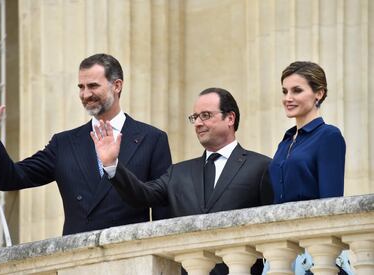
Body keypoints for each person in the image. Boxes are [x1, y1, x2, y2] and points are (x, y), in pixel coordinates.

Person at [0, 53, 172, 235]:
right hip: (77, 261)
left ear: (117, 85)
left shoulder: (152, 139)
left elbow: (163, 208)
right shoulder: (64, 144)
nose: (85, 95)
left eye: (93, 86)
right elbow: (10, 178)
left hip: (131, 260)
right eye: (81, 87)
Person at [91, 87, 274, 275]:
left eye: (206, 115)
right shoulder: (178, 173)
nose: (198, 123)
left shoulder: (260, 167)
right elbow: (141, 195)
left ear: (230, 118)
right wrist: (112, 164)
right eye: (195, 117)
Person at [268, 61, 348, 274]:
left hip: (313, 249)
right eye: (285, 91)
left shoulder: (329, 136)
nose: (288, 98)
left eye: (297, 90)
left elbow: (331, 201)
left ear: (318, 94)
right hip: (280, 248)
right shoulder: (285, 142)